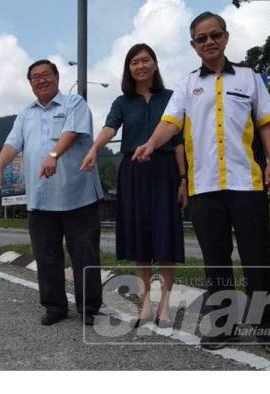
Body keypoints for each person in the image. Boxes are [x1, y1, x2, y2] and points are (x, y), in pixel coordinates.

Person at [133, 12, 270, 354]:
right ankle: (223, 326)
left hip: (247, 182)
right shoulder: (188, 85)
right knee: (215, 260)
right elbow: (170, 124)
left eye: (214, 35)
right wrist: (150, 144)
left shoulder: (250, 79)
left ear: (226, 37)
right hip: (203, 188)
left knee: (257, 257)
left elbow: (265, 124)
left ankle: (268, 328)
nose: (209, 42)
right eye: (201, 38)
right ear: (193, 45)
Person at [0, 59, 104, 326]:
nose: (41, 80)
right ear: (30, 83)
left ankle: (89, 307)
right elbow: (12, 142)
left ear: (57, 77)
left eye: (45, 75)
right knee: (46, 255)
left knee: (84, 254)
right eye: (35, 77)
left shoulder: (74, 104)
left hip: (78, 196)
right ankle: (54, 306)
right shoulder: (25, 113)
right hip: (40, 199)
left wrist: (53, 155)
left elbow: (73, 132)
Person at [80, 43, 186, 328]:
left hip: (165, 172)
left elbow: (177, 141)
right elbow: (110, 128)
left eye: (145, 60)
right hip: (133, 172)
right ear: (128, 68)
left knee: (164, 237)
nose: (140, 66)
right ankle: (146, 303)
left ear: (155, 64)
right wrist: (93, 150)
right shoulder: (122, 102)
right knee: (140, 237)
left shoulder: (171, 98)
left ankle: (165, 303)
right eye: (134, 62)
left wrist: (183, 179)